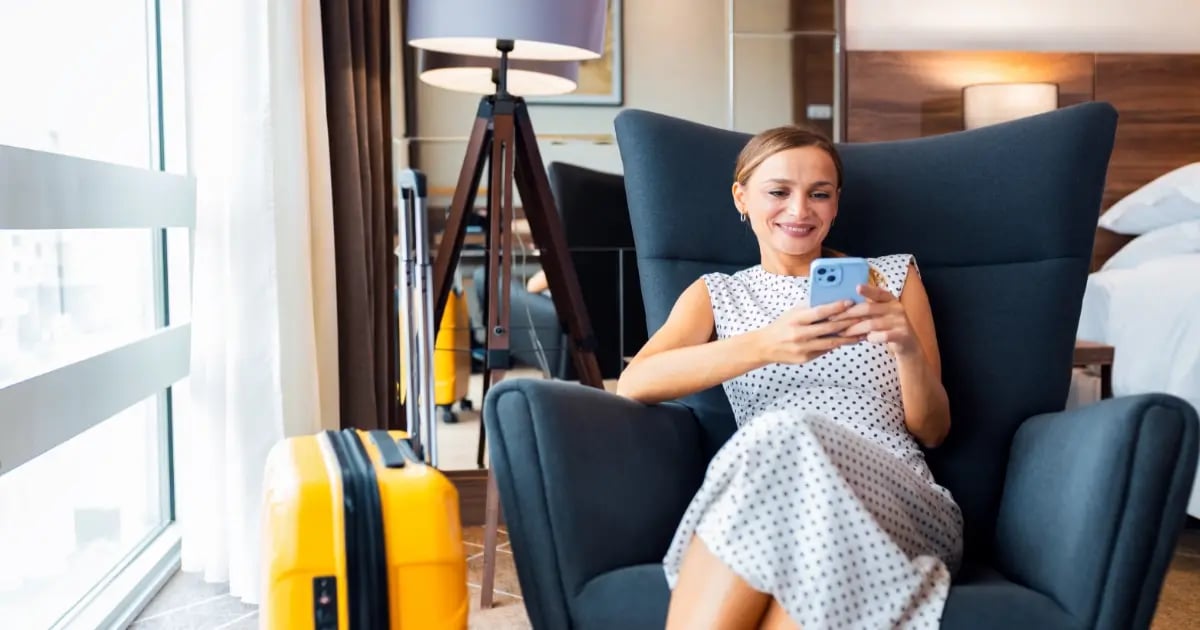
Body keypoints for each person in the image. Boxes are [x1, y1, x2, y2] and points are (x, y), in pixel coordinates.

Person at [615, 125, 964, 629]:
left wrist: (906, 346)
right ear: (741, 197)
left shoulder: (891, 278)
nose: (799, 211)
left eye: (819, 194)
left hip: (898, 499)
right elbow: (635, 382)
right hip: (776, 508)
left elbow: (933, 431)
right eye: (778, 192)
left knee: (788, 430)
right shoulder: (718, 295)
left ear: (836, 203)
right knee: (784, 440)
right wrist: (766, 345)